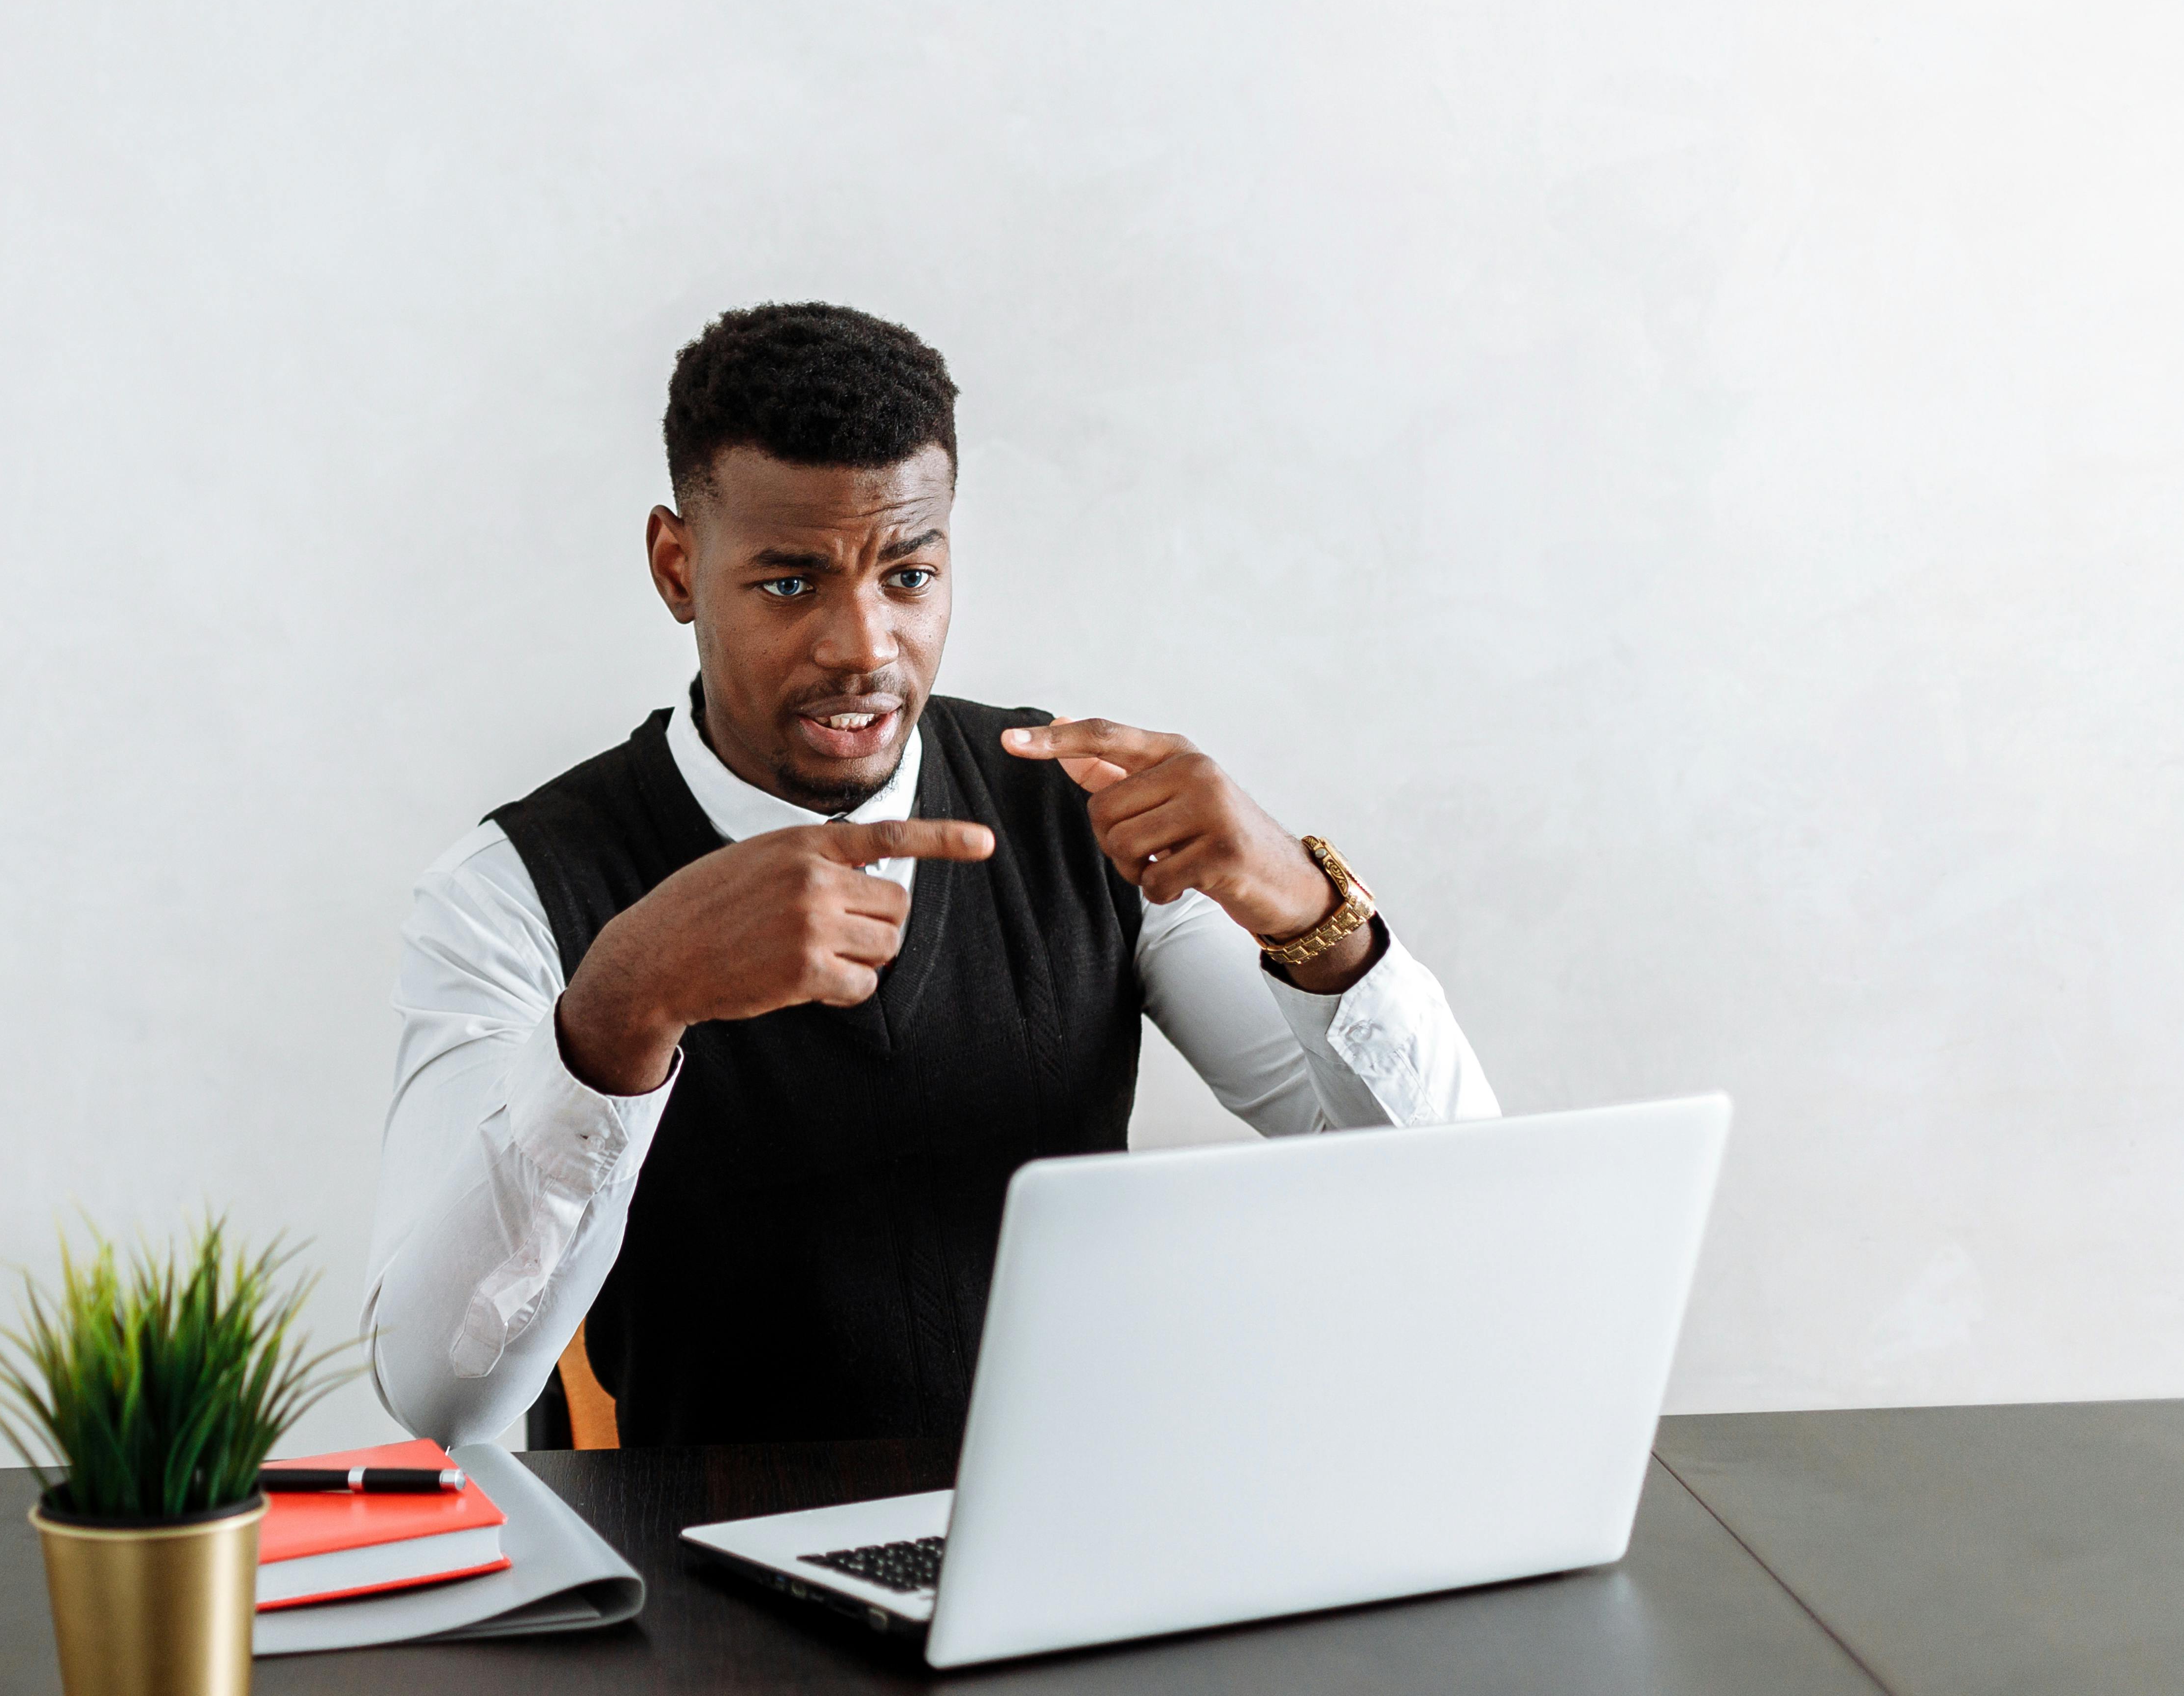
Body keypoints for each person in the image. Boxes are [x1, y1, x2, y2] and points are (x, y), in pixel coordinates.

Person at [365, 303, 1498, 1451]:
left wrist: (1314, 917)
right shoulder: (509, 890)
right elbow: (441, 1394)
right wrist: (620, 1010)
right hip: (690, 1583)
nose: (863, 643)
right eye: (790, 584)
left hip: (1068, 1551)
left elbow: (1454, 1211)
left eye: (906, 575)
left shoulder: (1082, 812)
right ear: (677, 564)